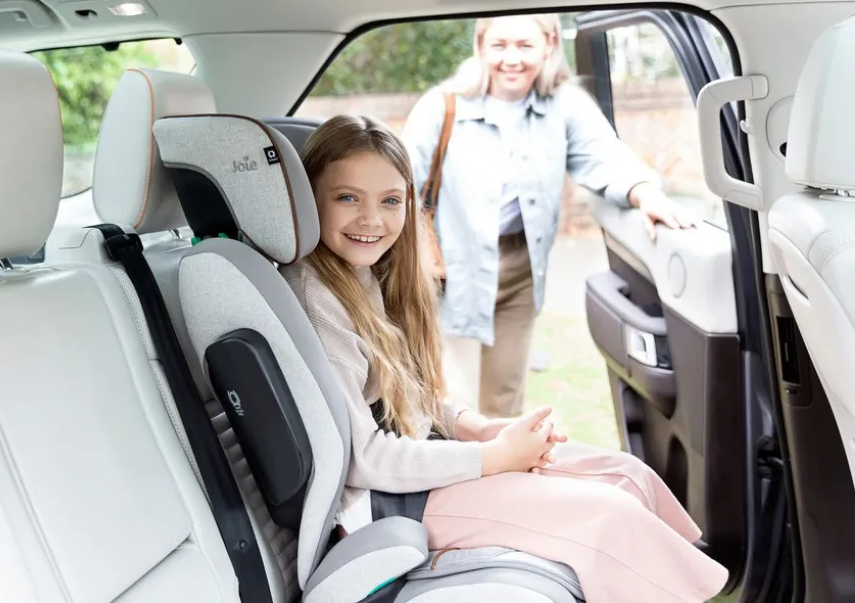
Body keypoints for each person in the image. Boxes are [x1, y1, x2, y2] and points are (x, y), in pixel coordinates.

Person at [280, 114, 727, 603]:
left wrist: (475, 427)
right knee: (609, 516)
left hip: (419, 471)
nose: (372, 219)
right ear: (308, 199)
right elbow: (365, 459)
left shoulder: (369, 275)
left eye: (389, 201)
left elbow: (403, 396)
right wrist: (493, 458)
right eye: (347, 198)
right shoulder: (316, 298)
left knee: (628, 474)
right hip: (388, 504)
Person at [401, 13, 697, 419]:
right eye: (499, 45)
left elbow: (603, 155)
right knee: (451, 401)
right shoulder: (442, 105)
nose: (512, 59)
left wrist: (643, 191)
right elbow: (400, 183)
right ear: (480, 46)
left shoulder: (565, 104)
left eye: (525, 45)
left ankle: (506, 461)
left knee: (505, 399)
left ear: (549, 44)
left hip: (521, 270)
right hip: (448, 269)